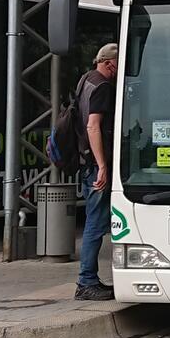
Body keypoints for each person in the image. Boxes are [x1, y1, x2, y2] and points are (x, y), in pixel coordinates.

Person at [74, 43, 120, 301]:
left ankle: (89, 279)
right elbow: (94, 127)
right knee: (95, 222)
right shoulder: (102, 86)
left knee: (96, 220)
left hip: (84, 161)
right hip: (94, 164)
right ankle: (86, 281)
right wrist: (102, 165)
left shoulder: (85, 80)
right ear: (109, 63)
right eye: (117, 65)